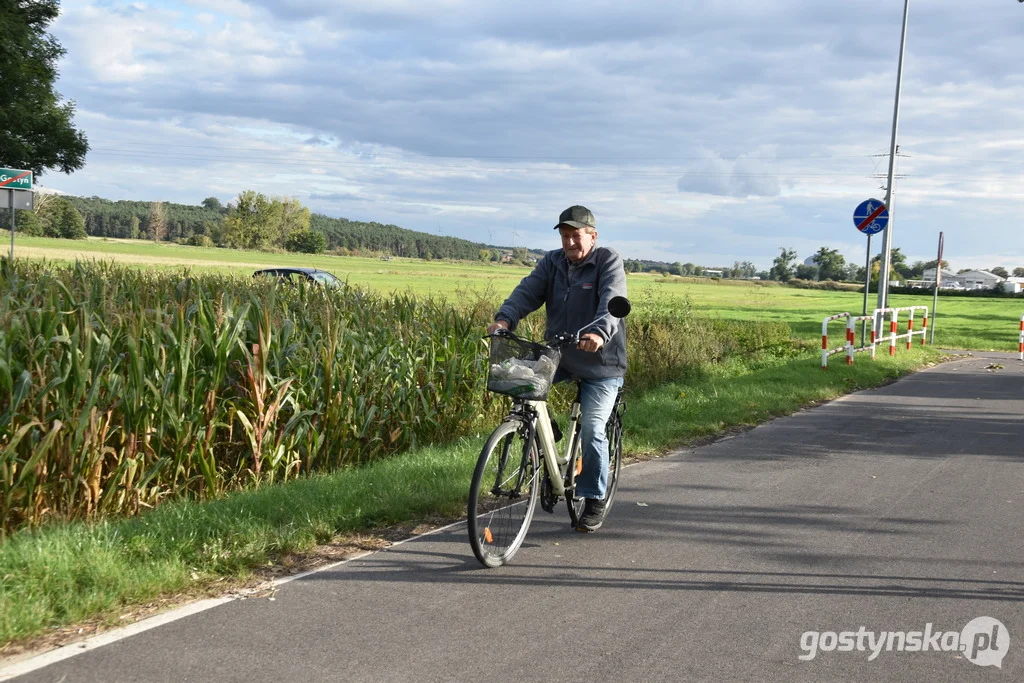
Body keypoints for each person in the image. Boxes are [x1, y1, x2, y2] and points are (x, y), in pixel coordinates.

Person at [487, 205, 627, 532]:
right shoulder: (552, 262)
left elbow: (613, 302)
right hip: (560, 354)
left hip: (600, 362)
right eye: (564, 236)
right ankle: (547, 430)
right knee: (519, 380)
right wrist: (505, 318)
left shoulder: (608, 261)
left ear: (592, 236)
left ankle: (594, 497)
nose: (569, 243)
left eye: (575, 236)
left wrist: (597, 333)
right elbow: (527, 292)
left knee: (593, 428)